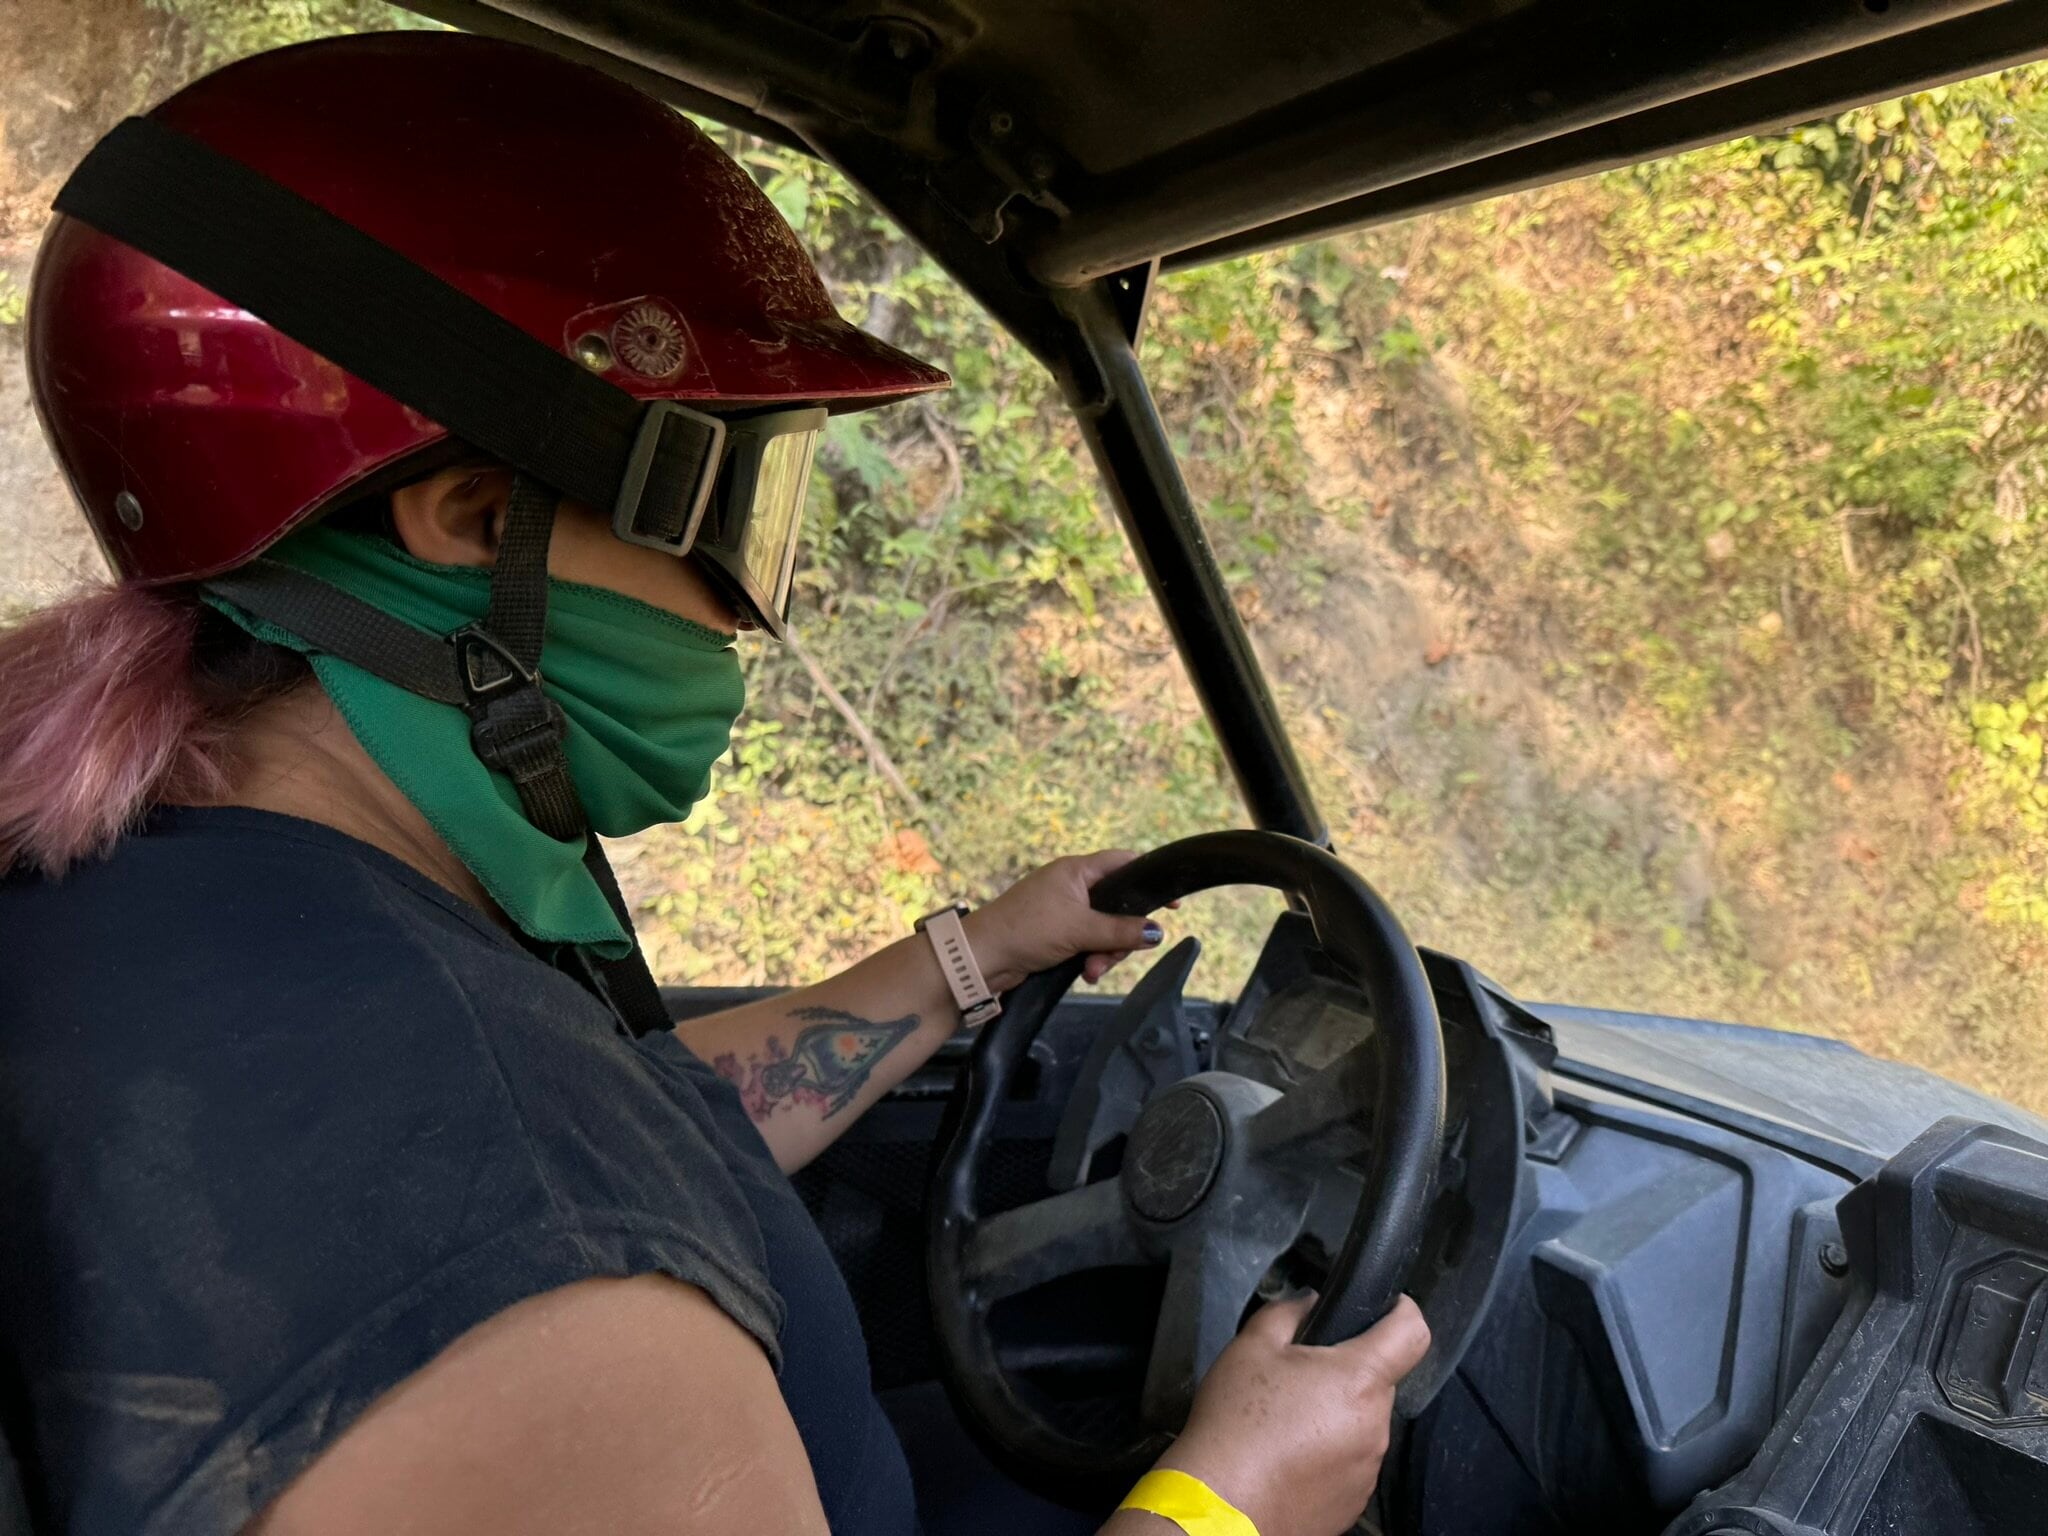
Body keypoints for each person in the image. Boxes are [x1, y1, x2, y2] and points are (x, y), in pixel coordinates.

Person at [0, 30, 1430, 1536]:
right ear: (477, 520)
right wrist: (1231, 1503)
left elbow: (633, 1128)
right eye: (726, 515)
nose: (744, 616)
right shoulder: (519, 1234)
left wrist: (972, 957)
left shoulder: (163, 882)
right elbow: (539, 1174)